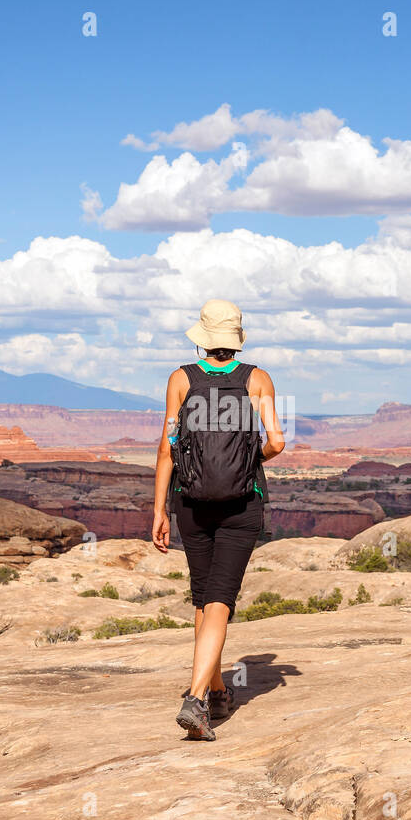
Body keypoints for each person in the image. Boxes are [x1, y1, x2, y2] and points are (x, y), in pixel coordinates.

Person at [152, 299, 285, 741]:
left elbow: (168, 445)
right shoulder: (257, 379)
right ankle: (196, 698)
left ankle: (217, 691)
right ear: (236, 339)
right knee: (220, 600)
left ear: (202, 339)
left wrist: (159, 508)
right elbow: (277, 443)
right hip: (240, 503)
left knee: (203, 597)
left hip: (191, 502)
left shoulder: (180, 379)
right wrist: (249, 459)